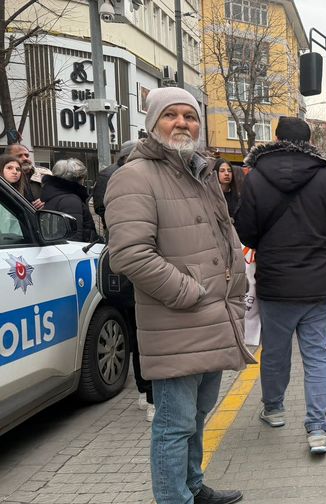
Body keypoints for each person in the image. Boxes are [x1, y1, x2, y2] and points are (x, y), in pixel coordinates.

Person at [105, 87, 254, 504]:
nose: (182, 124)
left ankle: (192, 485)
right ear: (153, 123)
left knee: (197, 417)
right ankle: (175, 498)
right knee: (173, 424)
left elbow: (225, 235)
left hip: (215, 317)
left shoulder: (200, 171)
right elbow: (130, 255)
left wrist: (236, 287)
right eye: (171, 115)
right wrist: (189, 292)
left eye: (190, 116)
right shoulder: (134, 177)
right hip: (178, 320)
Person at [234, 116, 326, 454]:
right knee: (317, 356)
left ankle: (274, 410)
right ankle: (317, 430)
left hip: (275, 284)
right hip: (317, 285)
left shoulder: (256, 178)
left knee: (274, 351)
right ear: (309, 141)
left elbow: (246, 232)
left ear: (276, 139)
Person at [91, 140, 155, 422]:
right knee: (142, 334)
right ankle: (149, 394)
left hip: (128, 275)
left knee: (137, 333)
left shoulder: (111, 179)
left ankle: (146, 391)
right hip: (139, 274)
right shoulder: (129, 182)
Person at [40, 158, 97, 242]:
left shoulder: (55, 195)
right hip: (78, 251)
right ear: (78, 178)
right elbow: (74, 237)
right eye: (82, 177)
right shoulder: (70, 200)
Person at [5, 143, 47, 209]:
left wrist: (48, 199)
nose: (25, 158)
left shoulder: (45, 173)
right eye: (19, 156)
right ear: (7, 158)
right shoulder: (3, 178)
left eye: (27, 155)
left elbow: (60, 194)